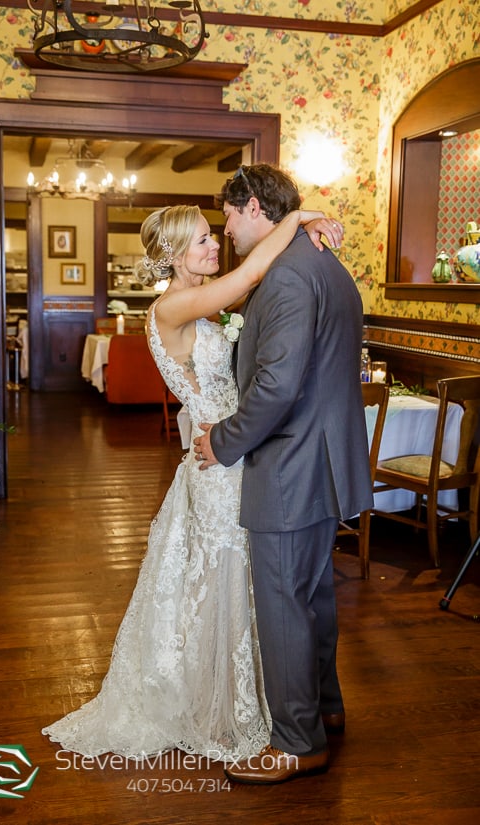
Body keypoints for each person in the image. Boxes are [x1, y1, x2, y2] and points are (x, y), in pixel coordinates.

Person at [42, 201, 343, 762]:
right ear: (176, 255)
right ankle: (220, 708)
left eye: (213, 235)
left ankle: (250, 696)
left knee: (240, 581)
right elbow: (252, 274)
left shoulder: (197, 311)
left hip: (228, 459)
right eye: (204, 240)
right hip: (219, 469)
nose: (215, 245)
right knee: (226, 580)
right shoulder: (175, 306)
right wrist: (298, 218)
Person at [194, 163, 373, 784]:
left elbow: (275, 387)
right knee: (314, 596)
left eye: (229, 215)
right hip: (325, 462)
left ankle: (297, 742)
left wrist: (222, 441)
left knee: (282, 602)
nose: (227, 229)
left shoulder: (291, 276)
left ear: (252, 207)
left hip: (293, 466)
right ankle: (325, 706)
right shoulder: (324, 265)